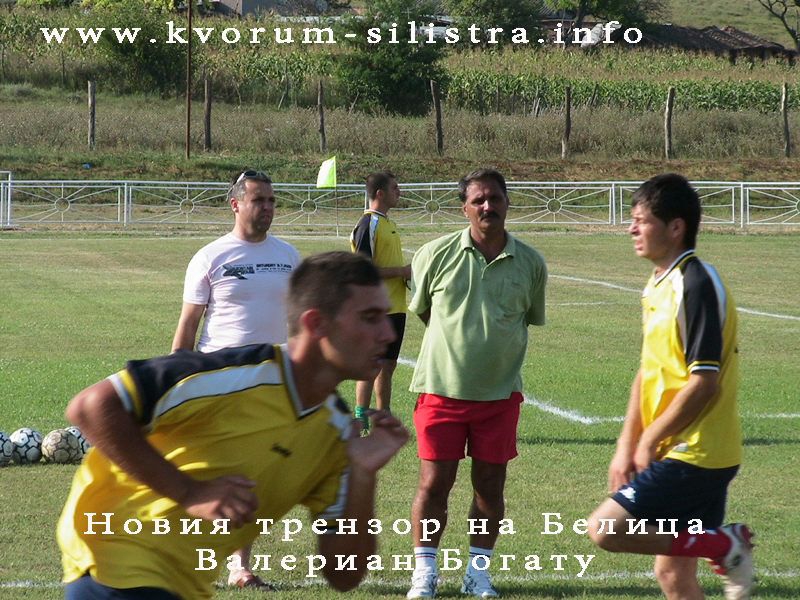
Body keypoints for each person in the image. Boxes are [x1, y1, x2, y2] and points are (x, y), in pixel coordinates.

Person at [57, 251, 409, 600]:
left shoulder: (335, 432)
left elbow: (345, 573)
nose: (387, 333)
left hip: (182, 585)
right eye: (370, 318)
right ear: (317, 324)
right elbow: (92, 406)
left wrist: (363, 474)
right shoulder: (233, 376)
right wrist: (190, 492)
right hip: (114, 561)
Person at [586, 174, 753, 600]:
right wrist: (628, 444)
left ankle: (723, 543)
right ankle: (719, 543)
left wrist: (649, 441)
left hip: (697, 452)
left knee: (605, 528)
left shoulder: (695, 283)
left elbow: (704, 383)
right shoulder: (659, 282)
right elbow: (648, 371)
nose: (631, 229)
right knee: (674, 577)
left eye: (642, 220)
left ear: (675, 227)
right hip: (677, 448)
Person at [406, 168, 547, 599]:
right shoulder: (433, 254)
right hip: (440, 390)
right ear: (464, 208)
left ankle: (477, 573)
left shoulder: (531, 263)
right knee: (434, 484)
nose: (488, 206)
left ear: (507, 203)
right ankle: (424, 574)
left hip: (499, 396)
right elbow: (425, 311)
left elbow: (525, 320)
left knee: (490, 487)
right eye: (479, 200)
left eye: (495, 198)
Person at [171, 169, 300, 589]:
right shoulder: (210, 257)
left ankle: (240, 566)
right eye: (259, 200)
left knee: (256, 474)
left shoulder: (289, 256)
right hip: (218, 382)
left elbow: (300, 324)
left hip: (271, 384)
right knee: (208, 471)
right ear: (236, 204)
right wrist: (173, 380)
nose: (268, 208)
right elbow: (189, 325)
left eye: (272, 201)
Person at [350, 171, 411, 429]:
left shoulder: (388, 223)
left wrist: (407, 278)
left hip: (397, 307)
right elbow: (362, 270)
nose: (399, 192)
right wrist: (401, 271)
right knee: (371, 365)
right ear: (380, 193)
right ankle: (360, 417)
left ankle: (383, 417)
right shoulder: (369, 224)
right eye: (395, 188)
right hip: (376, 309)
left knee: (388, 365)